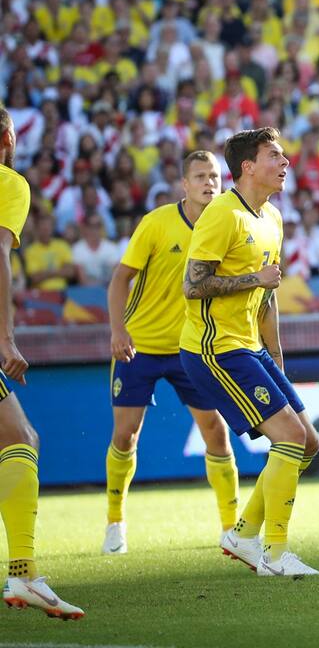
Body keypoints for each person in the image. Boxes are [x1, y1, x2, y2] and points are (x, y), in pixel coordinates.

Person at [179, 127, 319, 578]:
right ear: (247, 166)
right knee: (291, 439)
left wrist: (275, 356)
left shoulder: (272, 217)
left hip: (251, 347)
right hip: (213, 350)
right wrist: (252, 280)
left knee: (310, 442)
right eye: (275, 156)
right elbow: (193, 285)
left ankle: (242, 536)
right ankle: (275, 554)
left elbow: (270, 292)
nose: (286, 163)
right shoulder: (223, 215)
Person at [102, 151, 239, 556]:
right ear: (184, 184)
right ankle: (115, 522)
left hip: (191, 348)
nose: (209, 182)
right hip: (139, 346)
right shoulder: (157, 223)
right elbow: (119, 280)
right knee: (126, 437)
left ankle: (232, 528)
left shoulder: (227, 225)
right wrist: (117, 330)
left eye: (214, 175)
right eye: (200, 176)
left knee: (215, 432)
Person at [0, 107, 84, 618]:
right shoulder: (8, 184)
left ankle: (24, 575)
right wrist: (5, 338)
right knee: (20, 440)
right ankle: (24, 574)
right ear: (9, 137)